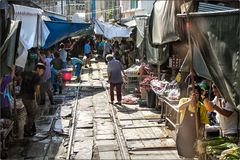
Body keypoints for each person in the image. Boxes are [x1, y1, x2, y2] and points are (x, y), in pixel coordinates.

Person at [176, 84, 209, 159]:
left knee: (191, 155)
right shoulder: (184, 101)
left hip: (194, 134)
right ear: (189, 94)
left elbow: (204, 121)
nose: (195, 95)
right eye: (192, 93)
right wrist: (190, 102)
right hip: (183, 134)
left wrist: (201, 130)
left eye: (197, 93)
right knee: (183, 154)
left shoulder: (201, 106)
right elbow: (179, 108)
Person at [19, 63, 45, 136]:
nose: (42, 73)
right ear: (37, 69)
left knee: (30, 112)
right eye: (42, 71)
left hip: (23, 96)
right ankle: (27, 130)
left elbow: (17, 78)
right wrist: (38, 98)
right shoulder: (37, 77)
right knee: (33, 113)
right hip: (30, 97)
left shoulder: (27, 72)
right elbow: (37, 89)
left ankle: (32, 127)